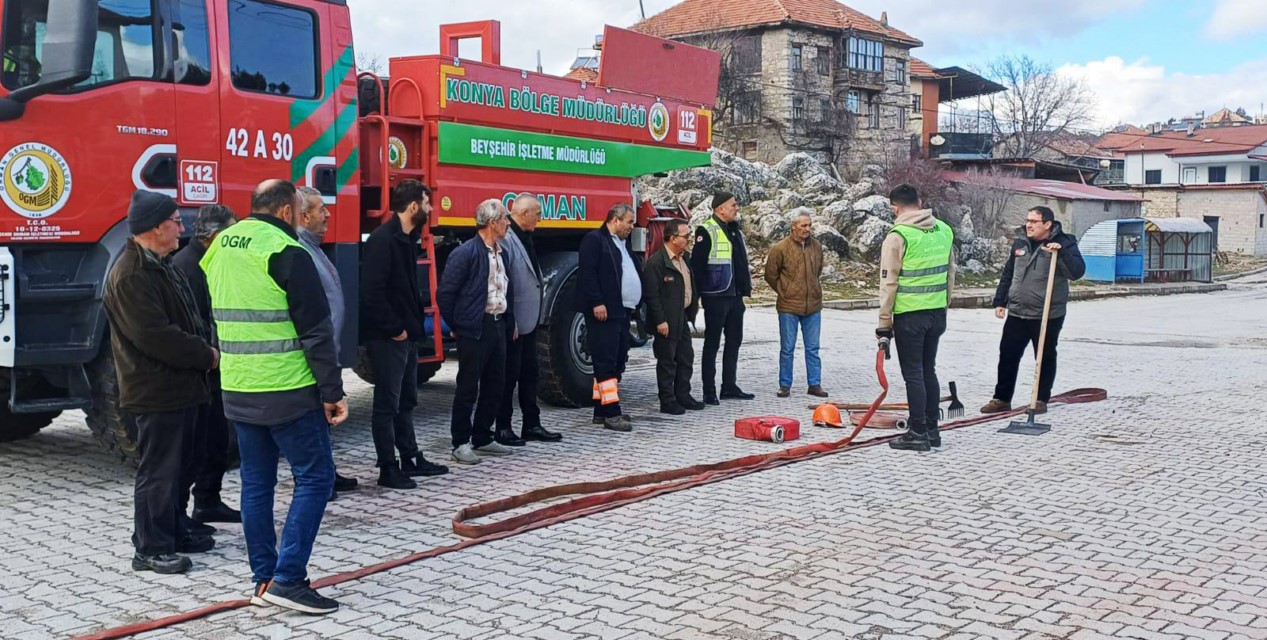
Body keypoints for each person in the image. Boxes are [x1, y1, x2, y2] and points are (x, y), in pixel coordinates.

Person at [201, 179, 347, 614]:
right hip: (286, 387)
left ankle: (263, 577)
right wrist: (332, 391)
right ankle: (288, 579)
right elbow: (316, 331)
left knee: (256, 483)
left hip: (239, 386)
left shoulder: (221, 245)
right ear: (287, 211)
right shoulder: (289, 251)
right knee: (316, 478)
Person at [103, 190, 219, 575]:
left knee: (185, 463)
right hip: (155, 390)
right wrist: (208, 355)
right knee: (160, 471)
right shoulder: (131, 274)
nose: (181, 228)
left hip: (183, 386)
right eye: (176, 221)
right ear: (155, 226)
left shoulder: (161, 263)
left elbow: (188, 319)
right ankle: (151, 547)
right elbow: (156, 335)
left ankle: (174, 528)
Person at [360, 180, 449, 489]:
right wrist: (395, 329)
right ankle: (388, 467)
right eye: (427, 204)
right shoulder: (382, 241)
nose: (430, 209)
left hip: (405, 336)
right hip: (388, 338)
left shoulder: (406, 238)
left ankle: (410, 456)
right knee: (387, 404)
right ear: (413, 207)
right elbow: (371, 293)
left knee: (406, 400)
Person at [171, 204, 240, 535]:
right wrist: (211, 357)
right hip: (203, 369)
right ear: (214, 235)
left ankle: (207, 500)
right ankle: (185, 512)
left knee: (218, 440)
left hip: (214, 366)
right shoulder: (189, 266)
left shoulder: (207, 260)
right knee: (199, 444)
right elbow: (194, 322)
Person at [981, 206, 1086, 415]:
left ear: (1047, 224)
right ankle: (1001, 398)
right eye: (1027, 220)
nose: (1028, 225)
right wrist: (1000, 301)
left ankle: (1040, 399)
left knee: (1045, 356)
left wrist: (1061, 252)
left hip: (1047, 314)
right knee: (1008, 355)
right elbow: (1009, 272)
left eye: (1034, 221)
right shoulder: (1020, 243)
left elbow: (1077, 272)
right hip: (1018, 312)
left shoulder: (1065, 242)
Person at [438, 199, 518, 463]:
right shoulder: (466, 253)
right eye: (505, 218)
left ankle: (483, 436)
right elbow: (446, 294)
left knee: (496, 384)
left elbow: (507, 289)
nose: (508, 223)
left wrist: (510, 321)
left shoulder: (501, 252)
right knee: (468, 387)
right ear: (492, 223)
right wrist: (458, 325)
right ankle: (460, 442)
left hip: (497, 324)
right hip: (475, 328)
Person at [876, 184, 955, 452]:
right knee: (928, 369)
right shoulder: (944, 230)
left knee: (913, 375)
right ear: (920, 202)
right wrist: (944, 305)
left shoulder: (898, 236)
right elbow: (950, 273)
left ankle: (917, 431)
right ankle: (933, 430)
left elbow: (888, 283)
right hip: (936, 313)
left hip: (909, 315)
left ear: (895, 208)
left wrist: (884, 324)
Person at [296, 186, 360, 497]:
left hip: (326, 351)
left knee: (323, 418)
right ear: (303, 215)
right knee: (314, 416)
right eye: (322, 209)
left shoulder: (314, 247)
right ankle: (316, 480)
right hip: (313, 356)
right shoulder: (300, 251)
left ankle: (327, 472)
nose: (328, 214)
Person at [496, 194, 563, 444]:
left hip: (528, 322)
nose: (540, 219)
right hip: (514, 324)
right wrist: (510, 319)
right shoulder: (507, 239)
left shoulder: (525, 236)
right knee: (508, 376)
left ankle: (531, 424)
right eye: (537, 213)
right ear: (523, 213)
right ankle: (502, 427)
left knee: (529, 374)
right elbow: (504, 284)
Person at [578, 203, 642, 431]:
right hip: (605, 312)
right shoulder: (595, 240)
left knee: (616, 361)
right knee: (605, 362)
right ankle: (612, 413)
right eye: (629, 222)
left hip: (622, 311)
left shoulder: (622, 243)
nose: (632, 226)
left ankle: (600, 410)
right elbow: (587, 273)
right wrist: (597, 302)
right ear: (615, 220)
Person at [691, 191, 754, 404]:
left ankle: (729, 386)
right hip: (716, 296)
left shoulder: (734, 230)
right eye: (733, 205)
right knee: (712, 343)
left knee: (734, 341)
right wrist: (697, 298)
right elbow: (697, 267)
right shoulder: (706, 230)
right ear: (720, 209)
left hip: (735, 296)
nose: (737, 208)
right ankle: (709, 391)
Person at [641, 217, 703, 415]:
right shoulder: (656, 263)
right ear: (673, 238)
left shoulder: (685, 258)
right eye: (686, 236)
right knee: (667, 361)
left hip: (682, 317)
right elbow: (652, 296)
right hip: (666, 321)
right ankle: (667, 401)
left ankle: (683, 395)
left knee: (686, 357)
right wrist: (660, 320)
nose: (689, 239)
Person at [764, 210, 827, 399]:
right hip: (788, 307)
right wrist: (785, 291)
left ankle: (814, 384)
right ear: (793, 226)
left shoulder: (816, 246)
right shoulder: (779, 248)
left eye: (809, 225)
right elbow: (770, 275)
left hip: (813, 306)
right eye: (803, 225)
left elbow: (819, 270)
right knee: (787, 348)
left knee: (813, 348)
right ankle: (785, 385)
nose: (808, 229)